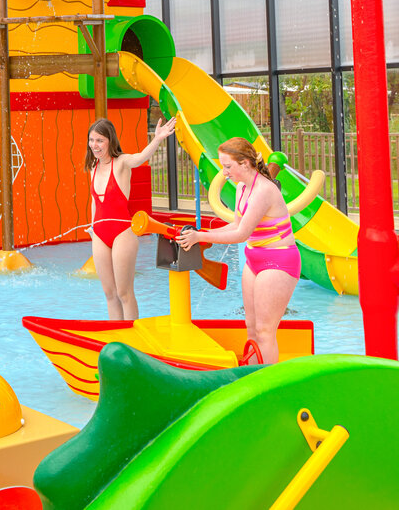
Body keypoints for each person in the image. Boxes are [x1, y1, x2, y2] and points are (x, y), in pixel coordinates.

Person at [176, 137, 299, 365]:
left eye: (228, 166)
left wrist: (201, 236)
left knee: (264, 331)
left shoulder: (264, 190)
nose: (224, 172)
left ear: (244, 163)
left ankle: (267, 383)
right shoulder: (243, 187)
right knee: (251, 329)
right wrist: (201, 236)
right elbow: (236, 224)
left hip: (278, 261)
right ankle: (252, 378)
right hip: (254, 259)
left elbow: (241, 234)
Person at [86, 115, 178, 321]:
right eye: (92, 140)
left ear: (110, 140)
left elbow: (140, 157)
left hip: (122, 233)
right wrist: (92, 229)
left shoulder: (121, 163)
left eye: (100, 140)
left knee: (123, 293)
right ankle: (117, 338)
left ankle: (133, 339)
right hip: (99, 234)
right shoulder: (92, 168)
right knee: (109, 294)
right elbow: (94, 201)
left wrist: (157, 139)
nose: (95, 145)